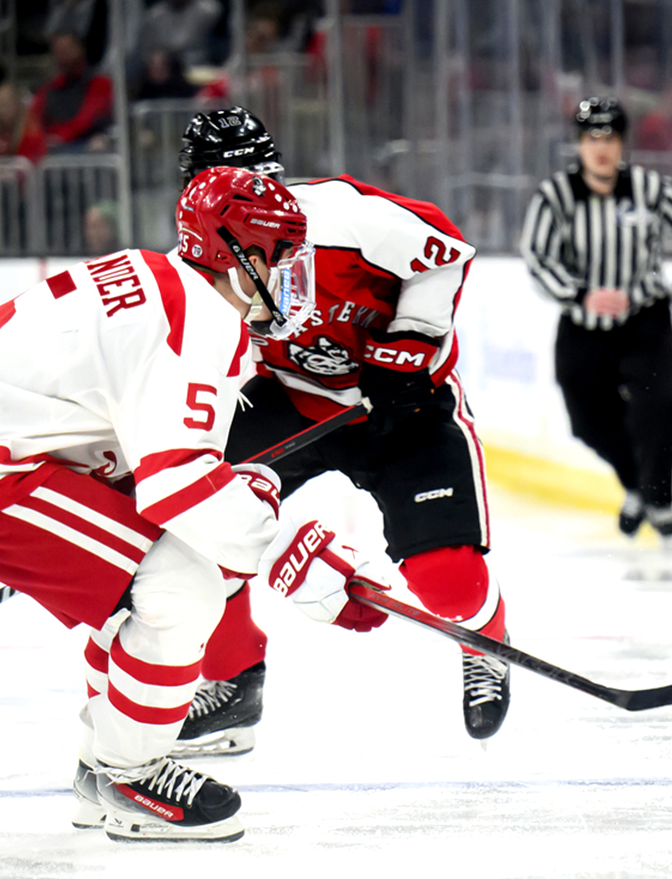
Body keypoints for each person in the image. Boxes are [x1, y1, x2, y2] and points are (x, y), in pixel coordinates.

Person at [0, 166, 386, 841]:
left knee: (142, 584)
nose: (286, 277)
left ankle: (104, 768)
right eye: (277, 256)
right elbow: (175, 485)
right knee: (179, 583)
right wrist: (287, 553)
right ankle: (131, 774)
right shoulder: (202, 322)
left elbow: (159, 465)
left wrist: (254, 505)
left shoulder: (158, 279)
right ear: (235, 253)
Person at [170, 107, 511, 758]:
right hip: (290, 401)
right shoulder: (195, 264)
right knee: (202, 519)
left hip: (398, 408)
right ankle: (234, 681)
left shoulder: (348, 219)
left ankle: (483, 638)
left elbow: (443, 256)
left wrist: (408, 347)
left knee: (450, 584)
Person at [520, 97, 672, 545]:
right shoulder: (555, 196)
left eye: (610, 137)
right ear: (578, 144)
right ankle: (637, 485)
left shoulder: (650, 189)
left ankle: (660, 503)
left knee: (658, 408)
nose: (602, 148)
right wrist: (580, 293)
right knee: (586, 419)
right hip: (582, 323)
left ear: (623, 143)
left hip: (643, 320)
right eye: (592, 138)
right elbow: (536, 258)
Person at [30, 32, 113, 150]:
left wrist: (61, 136)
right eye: (57, 51)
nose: (61, 56)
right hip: (53, 147)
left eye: (66, 49)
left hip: (86, 145)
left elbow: (87, 119)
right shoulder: (48, 88)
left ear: (80, 50)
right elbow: (33, 119)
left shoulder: (100, 83)